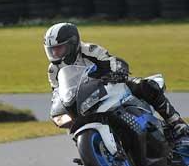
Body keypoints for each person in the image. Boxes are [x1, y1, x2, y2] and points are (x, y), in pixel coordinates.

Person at [44, 22, 189, 137]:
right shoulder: (53, 70)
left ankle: (176, 122)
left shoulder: (90, 50)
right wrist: (57, 110)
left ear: (72, 43)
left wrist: (117, 72)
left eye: (59, 48)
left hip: (108, 87)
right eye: (52, 50)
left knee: (145, 85)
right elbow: (57, 93)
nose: (55, 53)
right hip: (84, 101)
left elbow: (112, 62)